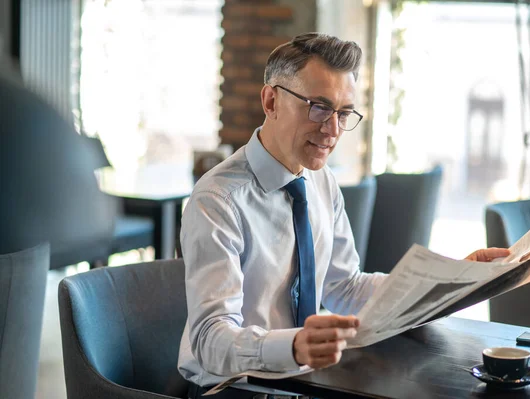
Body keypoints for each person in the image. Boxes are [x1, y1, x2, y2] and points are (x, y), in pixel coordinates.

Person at [178, 32, 509, 399]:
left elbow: (344, 288)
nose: (332, 130)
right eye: (318, 107)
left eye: (344, 113)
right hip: (233, 389)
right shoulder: (217, 199)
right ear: (271, 100)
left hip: (305, 382)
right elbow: (210, 340)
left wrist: (452, 279)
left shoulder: (321, 180)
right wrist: (292, 347)